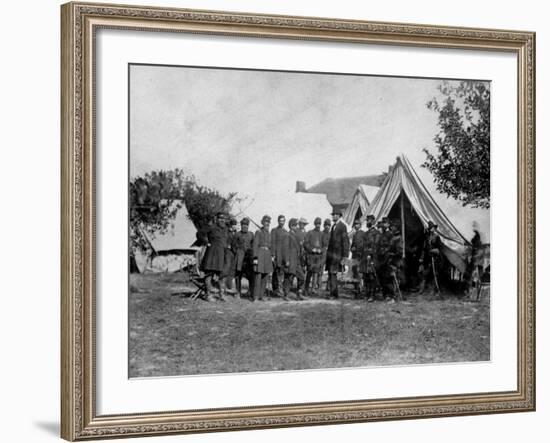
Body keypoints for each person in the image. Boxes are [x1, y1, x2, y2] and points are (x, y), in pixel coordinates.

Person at [199, 212, 229, 301]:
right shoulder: (211, 227)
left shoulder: (226, 229)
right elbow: (199, 233)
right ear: (217, 219)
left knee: (222, 274)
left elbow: (227, 239)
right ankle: (208, 295)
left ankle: (221, 294)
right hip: (212, 253)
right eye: (220, 218)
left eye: (223, 219)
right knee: (209, 273)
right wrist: (206, 242)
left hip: (222, 254)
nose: (222, 220)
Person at [325, 210, 350, 299]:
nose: (333, 216)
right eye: (333, 215)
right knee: (331, 274)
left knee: (333, 273)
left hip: (337, 255)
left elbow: (345, 242)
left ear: (339, 216)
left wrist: (345, 256)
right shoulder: (333, 227)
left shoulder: (342, 226)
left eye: (335, 215)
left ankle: (333, 294)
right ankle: (334, 293)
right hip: (332, 255)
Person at [283, 218, 306, 300]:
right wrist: (287, 261)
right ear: (291, 226)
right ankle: (286, 294)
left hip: (297, 261)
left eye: (296, 225)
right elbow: (285, 249)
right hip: (290, 260)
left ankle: (299, 293)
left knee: (302, 276)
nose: (297, 227)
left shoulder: (296, 235)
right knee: (289, 278)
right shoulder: (287, 235)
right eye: (295, 225)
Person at [418, 220, 443, 296]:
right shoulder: (426, 237)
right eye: (431, 228)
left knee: (435, 273)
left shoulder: (437, 237)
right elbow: (424, 248)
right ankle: (422, 289)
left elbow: (440, 248)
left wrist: (434, 250)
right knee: (424, 273)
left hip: (435, 258)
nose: (432, 229)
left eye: (433, 228)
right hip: (427, 258)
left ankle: (435, 289)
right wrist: (421, 257)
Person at [252, 215, 273, 301]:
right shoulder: (258, 232)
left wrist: (272, 256)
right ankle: (255, 296)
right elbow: (255, 245)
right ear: (262, 223)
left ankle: (261, 295)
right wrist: (255, 258)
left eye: (268, 222)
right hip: (260, 254)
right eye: (265, 222)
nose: (267, 224)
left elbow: (271, 246)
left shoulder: (269, 233)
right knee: (258, 275)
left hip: (267, 255)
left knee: (266, 275)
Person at [233, 217, 255, 298]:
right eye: (243, 225)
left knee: (250, 275)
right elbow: (233, 246)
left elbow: (253, 245)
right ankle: (238, 292)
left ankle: (250, 291)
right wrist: (238, 253)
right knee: (238, 275)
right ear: (241, 225)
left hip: (248, 259)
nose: (244, 226)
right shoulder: (237, 234)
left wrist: (251, 253)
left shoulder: (251, 234)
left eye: (246, 225)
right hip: (240, 258)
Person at [360, 215, 380, 302]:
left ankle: (372, 294)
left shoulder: (376, 233)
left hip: (372, 257)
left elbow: (376, 245)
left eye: (369, 221)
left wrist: (371, 253)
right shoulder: (366, 233)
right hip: (365, 257)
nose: (368, 222)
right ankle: (367, 294)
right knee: (366, 276)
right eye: (367, 220)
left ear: (373, 222)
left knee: (372, 276)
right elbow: (363, 245)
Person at [304, 217, 324, 295]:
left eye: (319, 224)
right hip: (311, 256)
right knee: (309, 272)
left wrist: (320, 250)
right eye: (317, 224)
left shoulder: (322, 234)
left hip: (318, 257)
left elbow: (324, 246)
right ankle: (306, 288)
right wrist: (312, 249)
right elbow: (306, 244)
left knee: (316, 272)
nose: (318, 225)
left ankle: (313, 289)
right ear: (314, 224)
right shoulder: (310, 233)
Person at [377, 217, 394, 301]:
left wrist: (385, 250)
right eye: (383, 223)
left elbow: (391, 246)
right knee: (382, 277)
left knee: (388, 278)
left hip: (387, 258)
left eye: (386, 223)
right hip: (381, 259)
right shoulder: (381, 234)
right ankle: (385, 295)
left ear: (388, 224)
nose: (384, 224)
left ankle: (391, 296)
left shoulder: (390, 234)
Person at [271, 215, 288, 298]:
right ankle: (275, 290)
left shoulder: (286, 232)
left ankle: (279, 290)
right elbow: (273, 243)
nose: (282, 222)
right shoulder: (274, 231)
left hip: (283, 256)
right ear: (278, 221)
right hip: (276, 255)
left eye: (283, 221)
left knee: (281, 273)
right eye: (280, 221)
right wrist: (273, 255)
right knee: (275, 273)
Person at [222, 217, 238, 296]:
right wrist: (227, 246)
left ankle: (229, 286)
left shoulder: (236, 233)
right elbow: (224, 241)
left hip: (234, 253)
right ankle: (223, 288)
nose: (234, 226)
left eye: (235, 225)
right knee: (226, 268)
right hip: (228, 252)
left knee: (232, 270)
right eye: (233, 225)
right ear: (230, 225)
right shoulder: (227, 232)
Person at [349, 219, 364, 298]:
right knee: (354, 273)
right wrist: (351, 249)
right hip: (354, 256)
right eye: (355, 224)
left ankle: (360, 291)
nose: (356, 225)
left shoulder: (362, 233)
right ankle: (356, 291)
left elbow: (363, 245)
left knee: (359, 274)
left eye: (357, 224)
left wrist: (358, 251)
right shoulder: (354, 234)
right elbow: (352, 245)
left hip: (359, 256)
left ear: (360, 225)